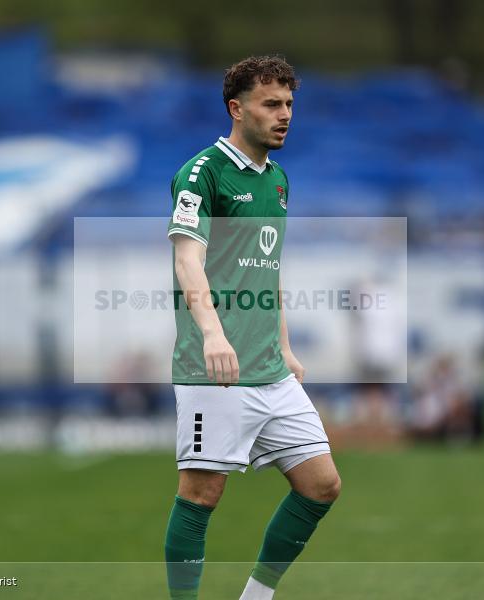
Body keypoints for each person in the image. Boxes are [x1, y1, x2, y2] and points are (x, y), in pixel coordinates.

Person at [164, 55, 341, 600]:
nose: (284, 114)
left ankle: (255, 597)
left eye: (289, 104)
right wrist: (214, 333)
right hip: (213, 369)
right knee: (201, 495)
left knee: (321, 486)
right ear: (237, 109)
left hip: (268, 369)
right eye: (272, 104)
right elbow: (187, 259)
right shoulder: (203, 172)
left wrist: (283, 345)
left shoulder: (279, 180)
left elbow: (269, 267)